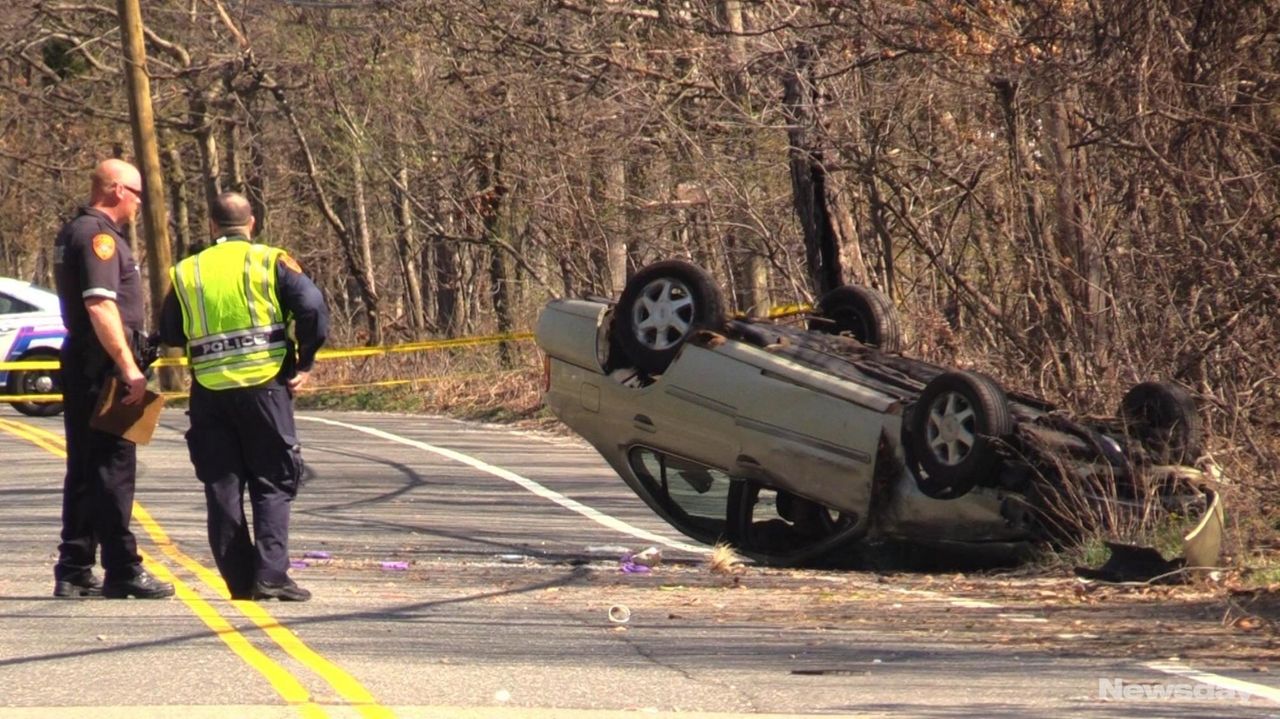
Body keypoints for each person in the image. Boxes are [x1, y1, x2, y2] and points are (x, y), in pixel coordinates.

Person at [160, 192, 328, 602]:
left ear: (212, 226)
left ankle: (239, 581)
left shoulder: (187, 271)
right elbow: (313, 307)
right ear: (251, 223)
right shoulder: (270, 261)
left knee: (222, 485)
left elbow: (169, 332)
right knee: (272, 481)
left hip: (210, 392)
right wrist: (305, 359)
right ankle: (271, 576)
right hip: (265, 386)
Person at [51, 158, 174, 599]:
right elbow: (100, 306)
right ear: (119, 191)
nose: (140, 204)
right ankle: (122, 568)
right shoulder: (99, 237)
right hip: (102, 367)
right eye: (138, 194)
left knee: (86, 467)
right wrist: (128, 367)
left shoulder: (75, 232)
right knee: (112, 469)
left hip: (85, 362)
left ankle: (75, 566)